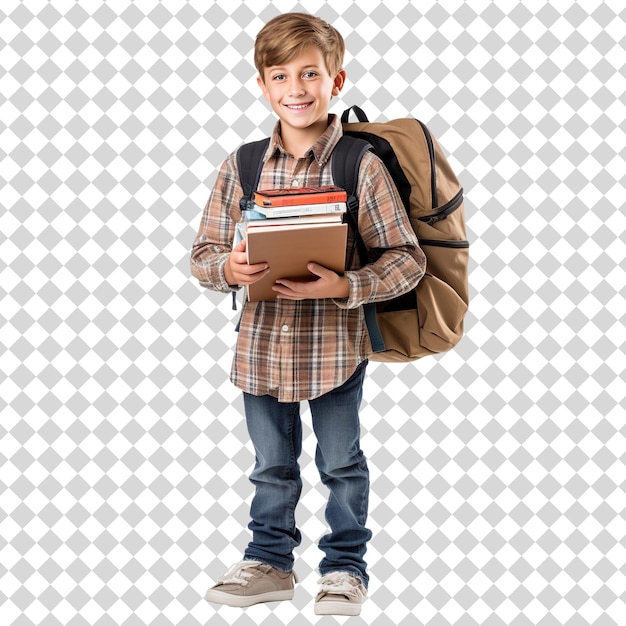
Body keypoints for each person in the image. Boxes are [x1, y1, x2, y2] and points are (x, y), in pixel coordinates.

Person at [190, 12, 425, 617]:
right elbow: (203, 254)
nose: (296, 89)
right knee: (270, 466)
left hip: (335, 347)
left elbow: (407, 260)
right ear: (264, 87)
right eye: (280, 76)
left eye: (310, 74)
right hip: (261, 345)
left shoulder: (359, 165)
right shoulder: (242, 165)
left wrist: (346, 283)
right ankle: (269, 562)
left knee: (341, 463)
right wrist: (229, 270)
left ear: (336, 80)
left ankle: (345, 568)